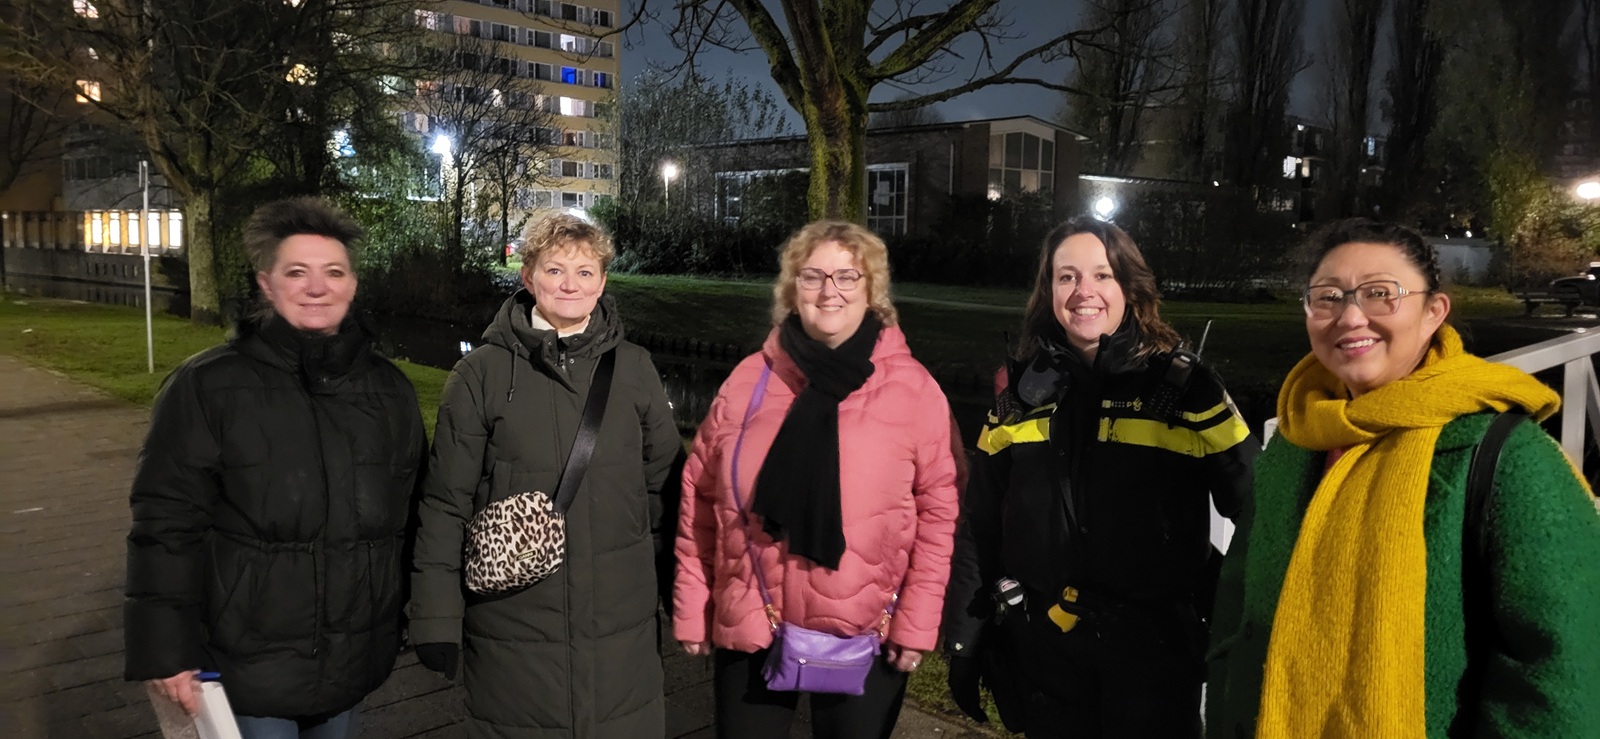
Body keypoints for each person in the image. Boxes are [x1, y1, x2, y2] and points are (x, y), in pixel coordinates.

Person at [1205, 219, 1600, 738]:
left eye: (1380, 294)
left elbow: (1560, 676)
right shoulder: (1297, 442)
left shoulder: (1508, 457)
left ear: (1433, 311)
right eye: (1328, 296)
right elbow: (1241, 608)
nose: (1350, 316)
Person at [942, 217, 1256, 738]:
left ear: (1129, 288)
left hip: (1154, 667)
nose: (1084, 292)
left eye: (1102, 276)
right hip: (1045, 660)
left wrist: (1236, 626)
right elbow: (980, 526)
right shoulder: (1018, 400)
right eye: (1067, 277)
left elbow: (1256, 514)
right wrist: (965, 641)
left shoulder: (1187, 391)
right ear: (1048, 292)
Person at [124, 197, 427, 739]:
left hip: (352, 661)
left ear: (353, 284)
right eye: (297, 272)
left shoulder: (389, 390)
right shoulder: (208, 386)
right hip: (247, 663)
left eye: (333, 272)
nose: (317, 287)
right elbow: (166, 524)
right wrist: (166, 649)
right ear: (267, 284)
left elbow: (411, 518)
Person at [672, 220, 961, 739]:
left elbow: (940, 514)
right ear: (791, 289)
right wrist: (694, 606)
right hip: (752, 618)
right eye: (813, 276)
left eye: (848, 276)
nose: (830, 290)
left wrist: (917, 624)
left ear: (871, 290)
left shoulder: (914, 389)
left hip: (869, 626)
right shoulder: (747, 380)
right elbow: (700, 496)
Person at [408, 214, 682, 738]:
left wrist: (684, 595)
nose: (569, 284)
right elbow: (445, 505)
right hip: (514, 631)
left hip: (620, 630)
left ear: (603, 281)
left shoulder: (635, 369)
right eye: (554, 269)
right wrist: (436, 618)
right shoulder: (480, 375)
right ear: (528, 276)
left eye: (584, 271)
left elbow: (665, 491)